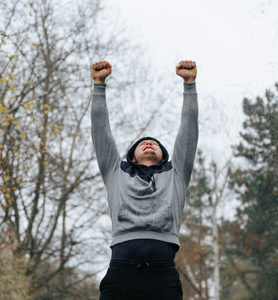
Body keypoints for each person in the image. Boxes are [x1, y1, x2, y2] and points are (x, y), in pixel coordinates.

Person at [91, 60, 198, 300]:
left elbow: (189, 130)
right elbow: (100, 130)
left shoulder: (177, 173)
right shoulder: (115, 172)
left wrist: (189, 85)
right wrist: (99, 86)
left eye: (155, 144)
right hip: (121, 267)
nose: (149, 143)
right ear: (131, 155)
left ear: (163, 154)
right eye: (142, 143)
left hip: (162, 270)